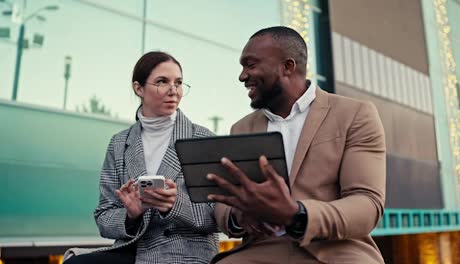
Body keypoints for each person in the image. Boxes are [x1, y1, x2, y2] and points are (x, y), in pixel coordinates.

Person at [207, 26, 386, 264]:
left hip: (336, 251)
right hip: (259, 251)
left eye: (250, 65)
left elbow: (367, 204)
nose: (242, 76)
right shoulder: (241, 128)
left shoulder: (355, 115)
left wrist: (297, 214)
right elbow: (224, 203)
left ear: (287, 67)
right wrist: (239, 215)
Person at [64, 51, 218, 264]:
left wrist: (173, 204)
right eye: (162, 82)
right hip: (134, 250)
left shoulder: (202, 139)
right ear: (139, 88)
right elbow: (103, 216)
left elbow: (215, 218)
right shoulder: (119, 143)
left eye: (179, 82)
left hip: (185, 253)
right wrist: (131, 215)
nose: (173, 91)